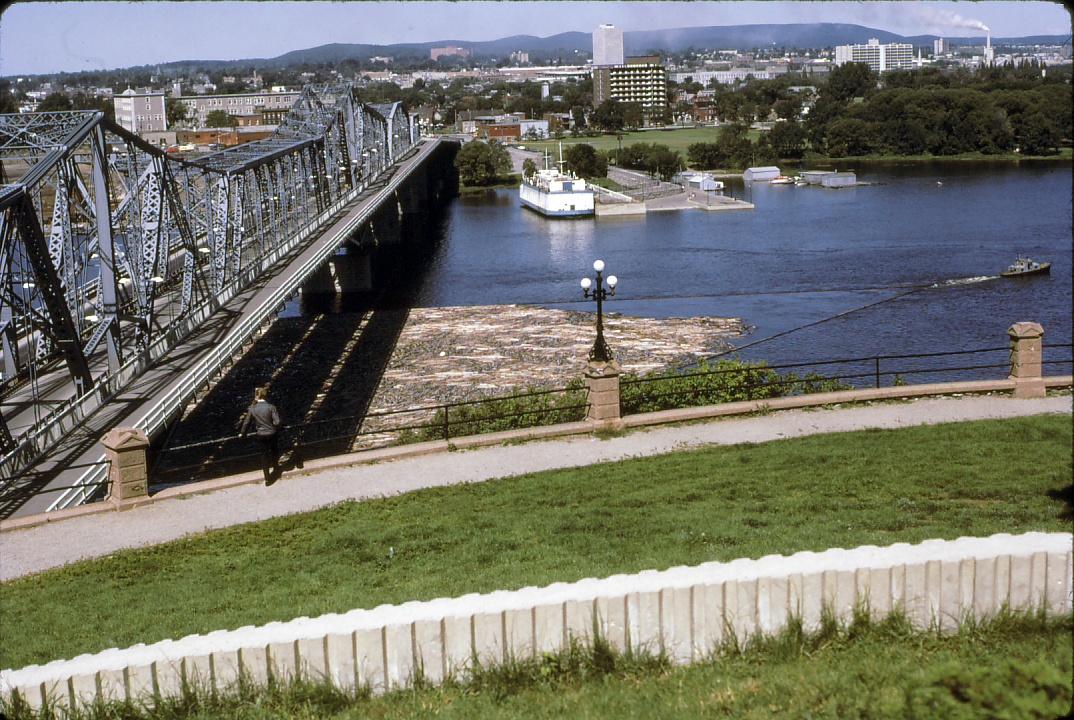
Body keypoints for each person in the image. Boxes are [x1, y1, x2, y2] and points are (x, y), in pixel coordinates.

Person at [240, 386, 282, 482]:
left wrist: (242, 433)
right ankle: (276, 468)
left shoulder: (252, 409)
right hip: (272, 433)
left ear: (256, 396)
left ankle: (267, 478)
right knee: (274, 451)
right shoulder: (271, 407)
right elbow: (277, 422)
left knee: (264, 455)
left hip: (261, 434)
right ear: (265, 396)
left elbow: (246, 423)